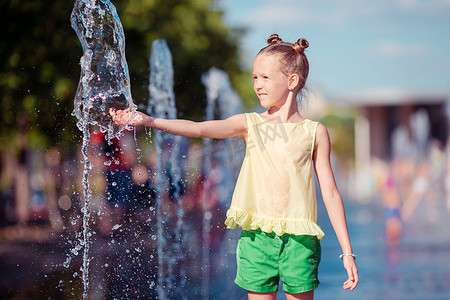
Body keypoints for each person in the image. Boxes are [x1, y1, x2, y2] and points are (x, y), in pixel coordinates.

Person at [110, 34, 358, 299]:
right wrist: (150, 121)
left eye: (265, 77)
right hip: (257, 239)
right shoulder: (249, 124)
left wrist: (347, 252)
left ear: (292, 81)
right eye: (255, 77)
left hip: (300, 239)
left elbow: (330, 194)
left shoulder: (314, 132)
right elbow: (199, 128)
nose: (257, 85)